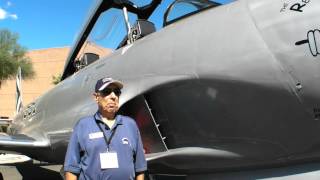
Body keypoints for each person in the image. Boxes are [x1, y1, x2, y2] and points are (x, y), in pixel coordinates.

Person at [64, 77, 147, 180]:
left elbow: (139, 168)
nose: (113, 96)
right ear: (96, 97)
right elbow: (71, 169)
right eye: (107, 92)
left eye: (117, 92)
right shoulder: (83, 126)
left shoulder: (130, 125)